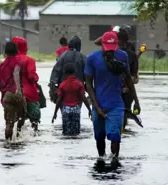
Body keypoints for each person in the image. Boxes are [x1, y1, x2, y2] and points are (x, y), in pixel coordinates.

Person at [85, 31, 141, 166]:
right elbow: (88, 84)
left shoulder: (123, 56)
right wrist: (96, 107)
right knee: (99, 137)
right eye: (107, 48)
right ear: (102, 45)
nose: (110, 52)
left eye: (112, 48)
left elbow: (128, 78)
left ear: (117, 45)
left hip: (116, 104)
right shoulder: (92, 59)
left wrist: (136, 101)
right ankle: (101, 159)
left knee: (115, 137)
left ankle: (115, 163)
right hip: (99, 103)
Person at [0, 42, 26, 140]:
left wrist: (4, 93)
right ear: (16, 51)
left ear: (5, 52)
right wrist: (18, 89)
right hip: (17, 93)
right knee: (22, 115)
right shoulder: (19, 62)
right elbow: (16, 73)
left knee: (9, 123)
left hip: (7, 95)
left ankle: (8, 143)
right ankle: (18, 136)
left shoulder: (1, 66)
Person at [52, 63, 92, 136]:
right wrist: (89, 110)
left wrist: (55, 113)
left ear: (64, 72)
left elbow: (59, 100)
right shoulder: (79, 84)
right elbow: (84, 98)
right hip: (76, 109)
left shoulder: (62, 85)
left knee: (65, 132)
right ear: (75, 72)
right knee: (76, 132)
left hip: (66, 110)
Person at [12, 36, 41, 132]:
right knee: (34, 122)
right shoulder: (30, 60)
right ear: (25, 47)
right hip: (30, 95)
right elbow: (32, 77)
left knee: (14, 123)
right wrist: (36, 78)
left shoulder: (9, 61)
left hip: (13, 94)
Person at [49, 36, 86, 104]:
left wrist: (52, 89)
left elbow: (55, 71)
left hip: (64, 88)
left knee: (64, 109)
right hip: (78, 89)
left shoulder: (62, 56)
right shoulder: (83, 57)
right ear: (79, 46)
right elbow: (87, 74)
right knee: (77, 109)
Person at [117, 30, 139, 132]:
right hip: (127, 91)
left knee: (113, 115)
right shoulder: (133, 55)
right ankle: (123, 133)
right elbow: (134, 77)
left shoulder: (110, 54)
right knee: (125, 113)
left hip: (113, 90)